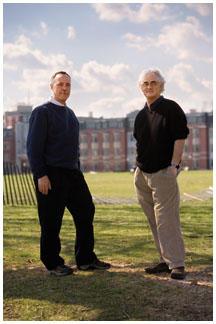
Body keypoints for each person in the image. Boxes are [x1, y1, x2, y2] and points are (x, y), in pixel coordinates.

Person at [27, 71, 110, 276]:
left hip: (72, 173)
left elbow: (73, 148)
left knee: (86, 211)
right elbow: (33, 147)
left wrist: (77, 168)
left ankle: (85, 258)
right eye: (60, 84)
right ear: (52, 87)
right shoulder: (42, 112)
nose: (64, 88)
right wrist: (40, 174)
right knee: (51, 220)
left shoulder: (71, 115)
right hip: (50, 174)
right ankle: (52, 263)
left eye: (68, 85)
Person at [133, 68, 189, 280]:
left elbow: (180, 138)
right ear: (141, 87)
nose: (149, 86)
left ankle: (177, 264)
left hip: (164, 173)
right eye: (145, 83)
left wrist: (174, 166)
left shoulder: (171, 108)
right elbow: (141, 143)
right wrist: (137, 170)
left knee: (167, 220)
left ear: (161, 85)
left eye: (153, 83)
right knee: (154, 221)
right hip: (142, 174)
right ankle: (166, 260)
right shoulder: (140, 116)